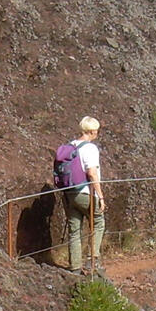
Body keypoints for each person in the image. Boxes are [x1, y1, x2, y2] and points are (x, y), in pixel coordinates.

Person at [64, 116, 105, 272]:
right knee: (98, 221)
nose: (97, 133)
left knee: (74, 230)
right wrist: (101, 197)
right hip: (85, 193)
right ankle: (92, 260)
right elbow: (92, 173)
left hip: (70, 192)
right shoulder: (90, 148)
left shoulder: (70, 146)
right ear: (91, 131)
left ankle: (74, 268)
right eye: (97, 130)